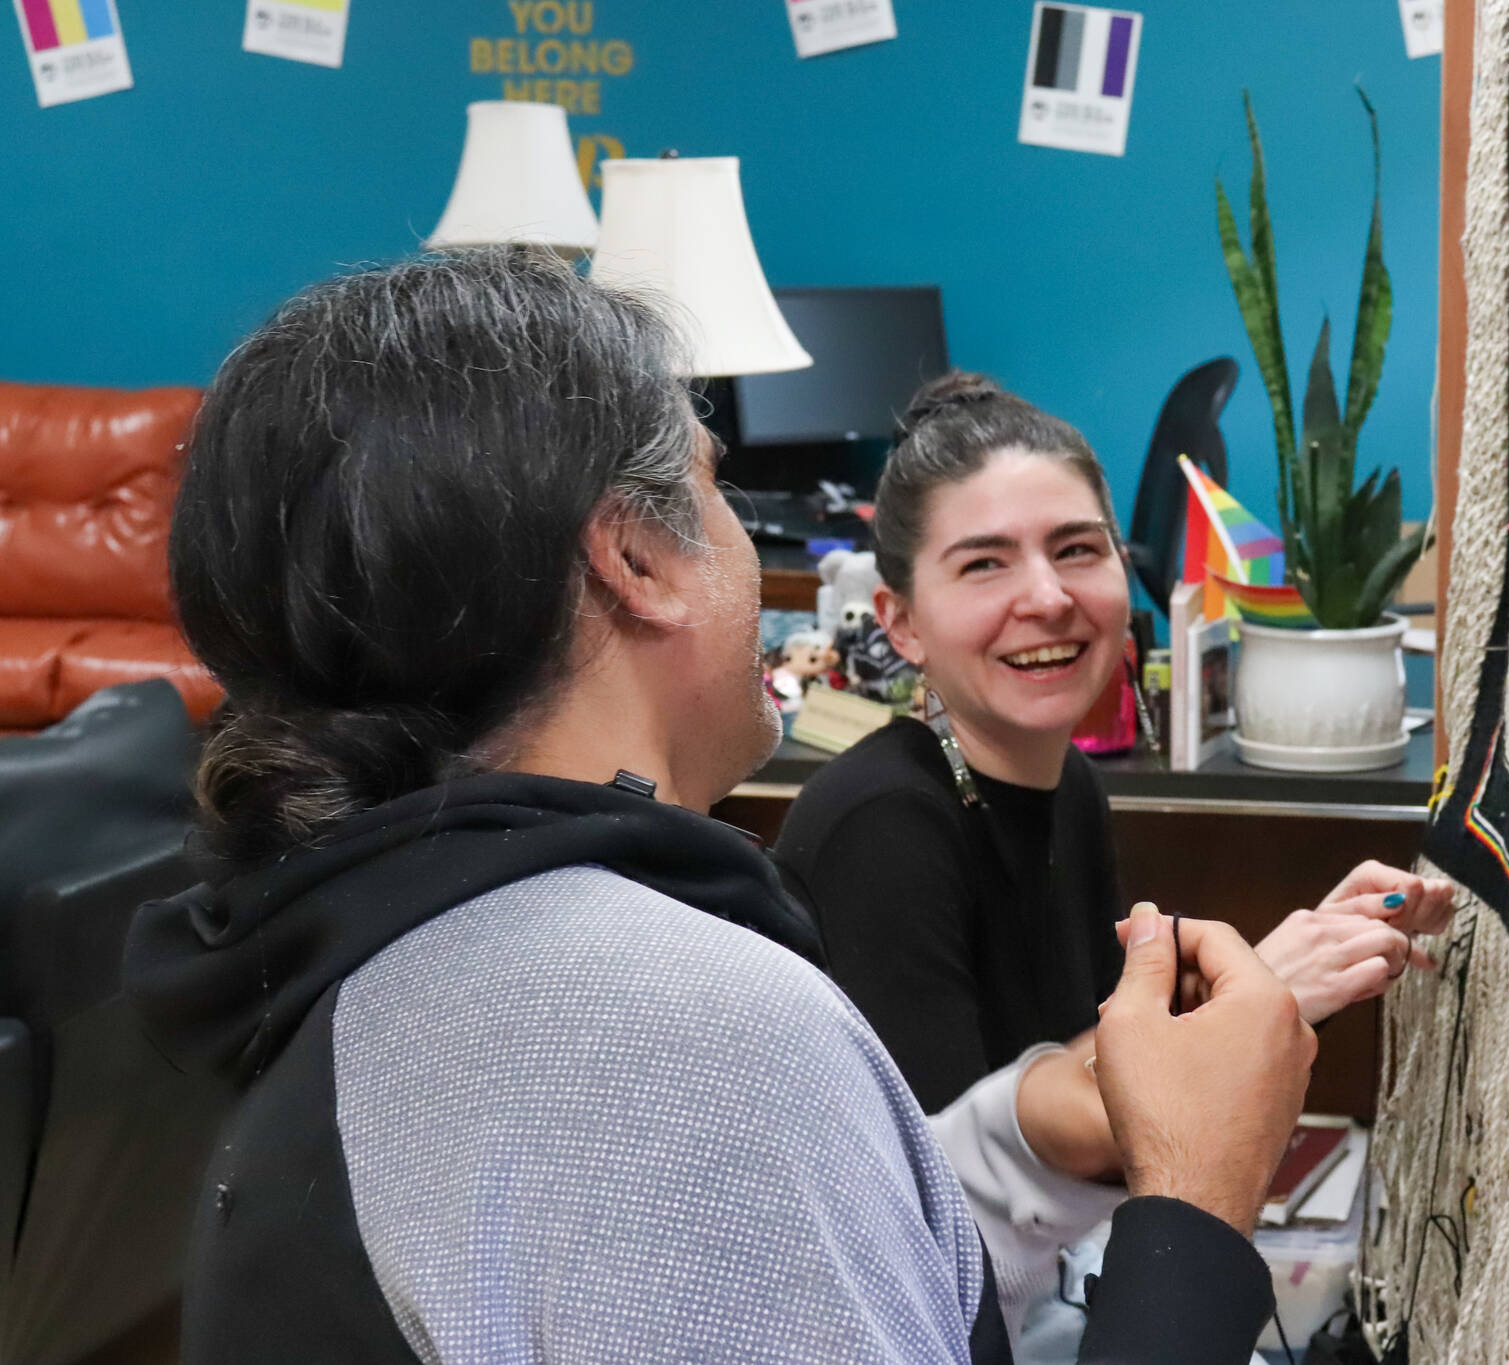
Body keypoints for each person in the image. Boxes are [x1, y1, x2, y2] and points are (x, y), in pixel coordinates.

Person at [121, 252, 1317, 1364]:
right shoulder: (663, 1038)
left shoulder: (396, 954)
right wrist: (1197, 1202)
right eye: (717, 488)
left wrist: (1033, 1131)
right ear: (636, 560)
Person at [774, 373, 1457, 1121]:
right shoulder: (880, 825)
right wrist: (1267, 990)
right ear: (900, 623)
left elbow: (1096, 1071)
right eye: (984, 563)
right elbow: (958, 1189)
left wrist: (1307, 960)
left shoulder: (1069, 786)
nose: (1047, 597)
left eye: (1075, 549)